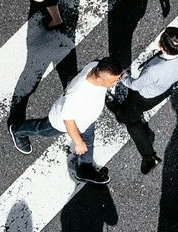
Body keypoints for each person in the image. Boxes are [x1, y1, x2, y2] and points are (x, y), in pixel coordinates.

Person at [11, 56, 123, 185]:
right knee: (42, 129)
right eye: (113, 81)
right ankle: (17, 130)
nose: (115, 83)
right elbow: (68, 120)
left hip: (85, 119)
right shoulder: (78, 94)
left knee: (88, 140)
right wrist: (78, 142)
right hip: (60, 123)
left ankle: (84, 170)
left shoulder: (95, 66)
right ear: (98, 79)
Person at [110, 26, 178, 172]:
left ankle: (149, 157)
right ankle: (125, 113)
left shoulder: (154, 70)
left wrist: (123, 77)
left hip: (143, 97)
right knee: (129, 110)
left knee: (131, 120)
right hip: (164, 90)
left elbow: (135, 85)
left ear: (161, 46)